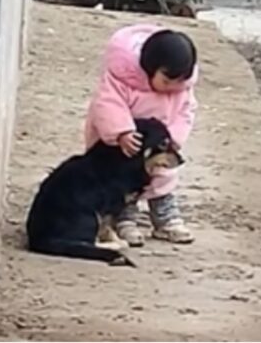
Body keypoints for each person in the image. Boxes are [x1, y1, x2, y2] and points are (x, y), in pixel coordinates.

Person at [84, 25, 199, 246]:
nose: (172, 88)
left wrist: (174, 138)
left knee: (163, 175)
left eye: (179, 82)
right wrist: (121, 131)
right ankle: (125, 218)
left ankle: (165, 217)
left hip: (158, 147)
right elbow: (107, 103)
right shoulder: (123, 78)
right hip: (124, 145)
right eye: (166, 81)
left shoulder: (181, 88)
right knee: (122, 181)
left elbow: (187, 111)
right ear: (149, 68)